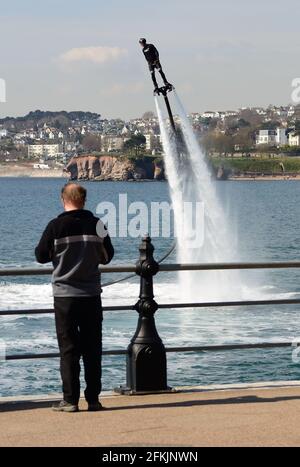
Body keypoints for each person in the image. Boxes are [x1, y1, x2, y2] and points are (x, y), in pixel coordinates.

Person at [35, 183, 114, 412]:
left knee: (68, 349)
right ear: (84, 199)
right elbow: (107, 256)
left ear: (63, 199)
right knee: (92, 348)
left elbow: (40, 256)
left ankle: (70, 400)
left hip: (65, 297)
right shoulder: (97, 225)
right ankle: (93, 399)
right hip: (91, 295)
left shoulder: (56, 226)